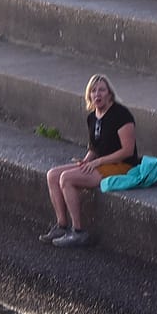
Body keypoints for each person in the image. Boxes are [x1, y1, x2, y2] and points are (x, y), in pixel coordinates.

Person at [41, 74, 137, 248]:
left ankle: (78, 231)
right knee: (53, 175)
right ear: (89, 95)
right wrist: (85, 162)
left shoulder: (121, 115)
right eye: (93, 91)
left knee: (66, 179)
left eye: (101, 90)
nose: (97, 94)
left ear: (110, 94)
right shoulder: (93, 117)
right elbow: (94, 148)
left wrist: (98, 162)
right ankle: (62, 226)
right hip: (100, 163)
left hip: (122, 165)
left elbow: (127, 151)